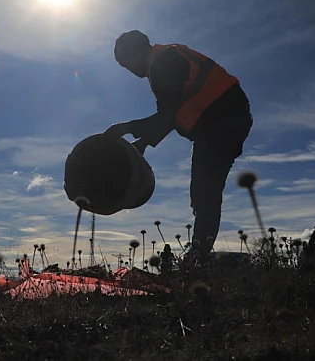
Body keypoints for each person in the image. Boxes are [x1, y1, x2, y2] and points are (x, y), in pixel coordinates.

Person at [105, 30, 252, 262]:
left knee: (205, 192)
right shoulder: (163, 61)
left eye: (127, 63)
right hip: (220, 121)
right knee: (203, 192)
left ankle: (197, 259)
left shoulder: (163, 63)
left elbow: (167, 117)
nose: (130, 70)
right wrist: (143, 143)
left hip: (223, 120)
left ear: (136, 51)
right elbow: (172, 114)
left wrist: (123, 128)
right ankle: (198, 255)